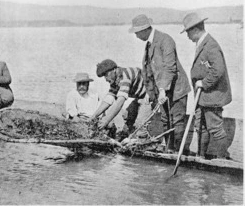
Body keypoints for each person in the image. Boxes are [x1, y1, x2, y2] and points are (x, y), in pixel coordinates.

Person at [129, 14, 191, 153]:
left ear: (144, 30)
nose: (136, 36)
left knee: (177, 121)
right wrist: (151, 95)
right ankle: (169, 150)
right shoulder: (149, 45)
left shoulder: (165, 40)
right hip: (162, 92)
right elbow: (149, 73)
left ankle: (179, 152)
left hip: (176, 89)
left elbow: (170, 68)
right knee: (165, 120)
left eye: (136, 32)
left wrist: (163, 89)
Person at [181, 13, 232, 159]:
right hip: (202, 96)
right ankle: (200, 157)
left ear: (195, 30)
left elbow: (218, 70)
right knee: (201, 127)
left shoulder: (211, 45)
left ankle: (223, 161)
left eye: (188, 32)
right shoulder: (202, 44)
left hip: (212, 95)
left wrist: (204, 83)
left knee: (215, 128)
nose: (187, 36)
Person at [90, 59, 147, 139]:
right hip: (140, 97)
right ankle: (130, 140)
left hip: (149, 96)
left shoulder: (125, 76)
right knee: (127, 118)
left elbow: (120, 101)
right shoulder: (116, 79)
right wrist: (94, 116)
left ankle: (142, 144)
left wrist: (106, 120)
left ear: (114, 70)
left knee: (140, 124)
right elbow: (108, 99)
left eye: (106, 75)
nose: (106, 79)